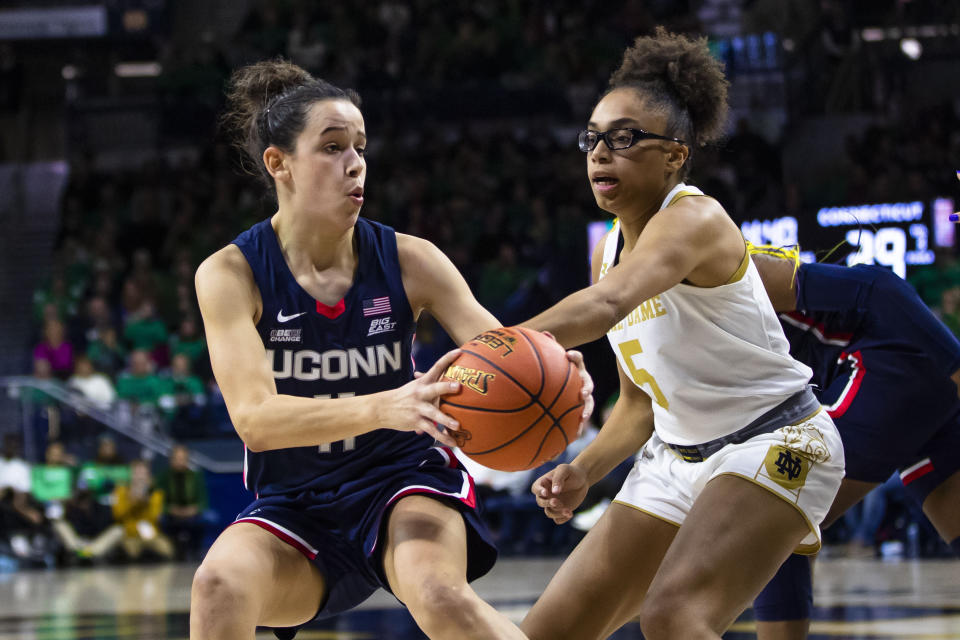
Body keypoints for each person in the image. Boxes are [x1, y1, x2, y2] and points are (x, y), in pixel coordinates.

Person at [190, 59, 592, 640]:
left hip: (401, 477)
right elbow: (256, 421)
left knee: (438, 595)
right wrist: (386, 405)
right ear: (279, 164)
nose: (355, 164)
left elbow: (500, 352)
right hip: (296, 502)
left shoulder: (410, 258)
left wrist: (555, 369)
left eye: (360, 147)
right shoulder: (231, 273)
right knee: (217, 587)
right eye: (331, 147)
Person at [518, 29, 844, 640]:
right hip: (673, 459)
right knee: (547, 631)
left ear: (675, 154)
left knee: (674, 617)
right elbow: (641, 403)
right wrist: (586, 469)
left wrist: (488, 346)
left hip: (778, 440)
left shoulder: (694, 218)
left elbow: (607, 304)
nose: (599, 154)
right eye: (593, 139)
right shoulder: (608, 250)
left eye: (624, 139)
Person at [746, 250, 960, 640]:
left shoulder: (721, 266)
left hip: (889, 365)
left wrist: (955, 362)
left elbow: (879, 286)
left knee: (772, 518)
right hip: (915, 384)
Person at [111, 459, 174, 561]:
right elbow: (118, 516)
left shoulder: (156, 493)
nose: (140, 477)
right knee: (132, 553)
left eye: (143, 474)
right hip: (130, 534)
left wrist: (146, 501)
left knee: (168, 551)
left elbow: (155, 517)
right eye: (137, 473)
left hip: (151, 535)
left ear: (148, 476)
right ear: (131, 475)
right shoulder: (121, 491)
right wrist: (132, 502)